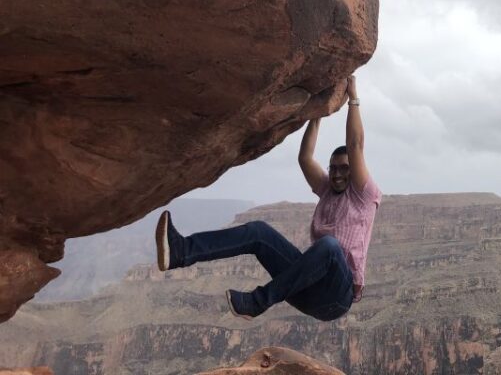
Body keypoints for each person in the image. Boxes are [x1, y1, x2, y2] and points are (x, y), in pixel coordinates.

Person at [154, 75, 381, 321]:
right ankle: (180, 252)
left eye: (344, 168)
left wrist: (353, 98)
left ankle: (257, 302)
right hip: (305, 289)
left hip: (336, 298)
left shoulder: (363, 195)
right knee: (259, 233)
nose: (337, 174)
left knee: (329, 246)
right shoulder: (326, 189)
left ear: (354, 171)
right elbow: (305, 158)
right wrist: (318, 114)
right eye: (333, 168)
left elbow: (355, 144)